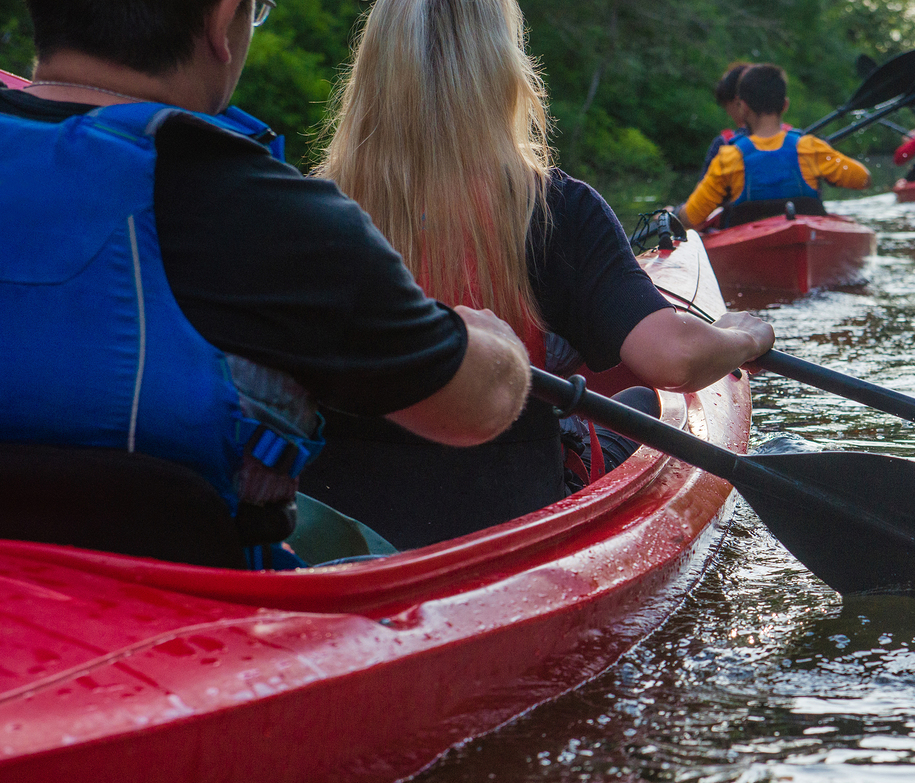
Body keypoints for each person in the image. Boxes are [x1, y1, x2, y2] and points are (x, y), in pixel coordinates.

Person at [0, 0, 530, 567]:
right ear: (221, 20)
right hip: (202, 624)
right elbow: (474, 408)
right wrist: (492, 343)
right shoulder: (277, 219)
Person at [312, 0, 774, 549]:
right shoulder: (556, 208)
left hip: (345, 533)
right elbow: (673, 359)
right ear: (506, 69)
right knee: (645, 405)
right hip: (513, 520)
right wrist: (744, 337)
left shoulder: (307, 210)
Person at [680, 63, 869, 230]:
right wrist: (829, 170)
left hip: (747, 245)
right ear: (785, 105)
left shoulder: (727, 158)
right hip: (807, 233)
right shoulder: (811, 148)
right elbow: (863, 179)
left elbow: (691, 218)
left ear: (743, 107)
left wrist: (676, 213)